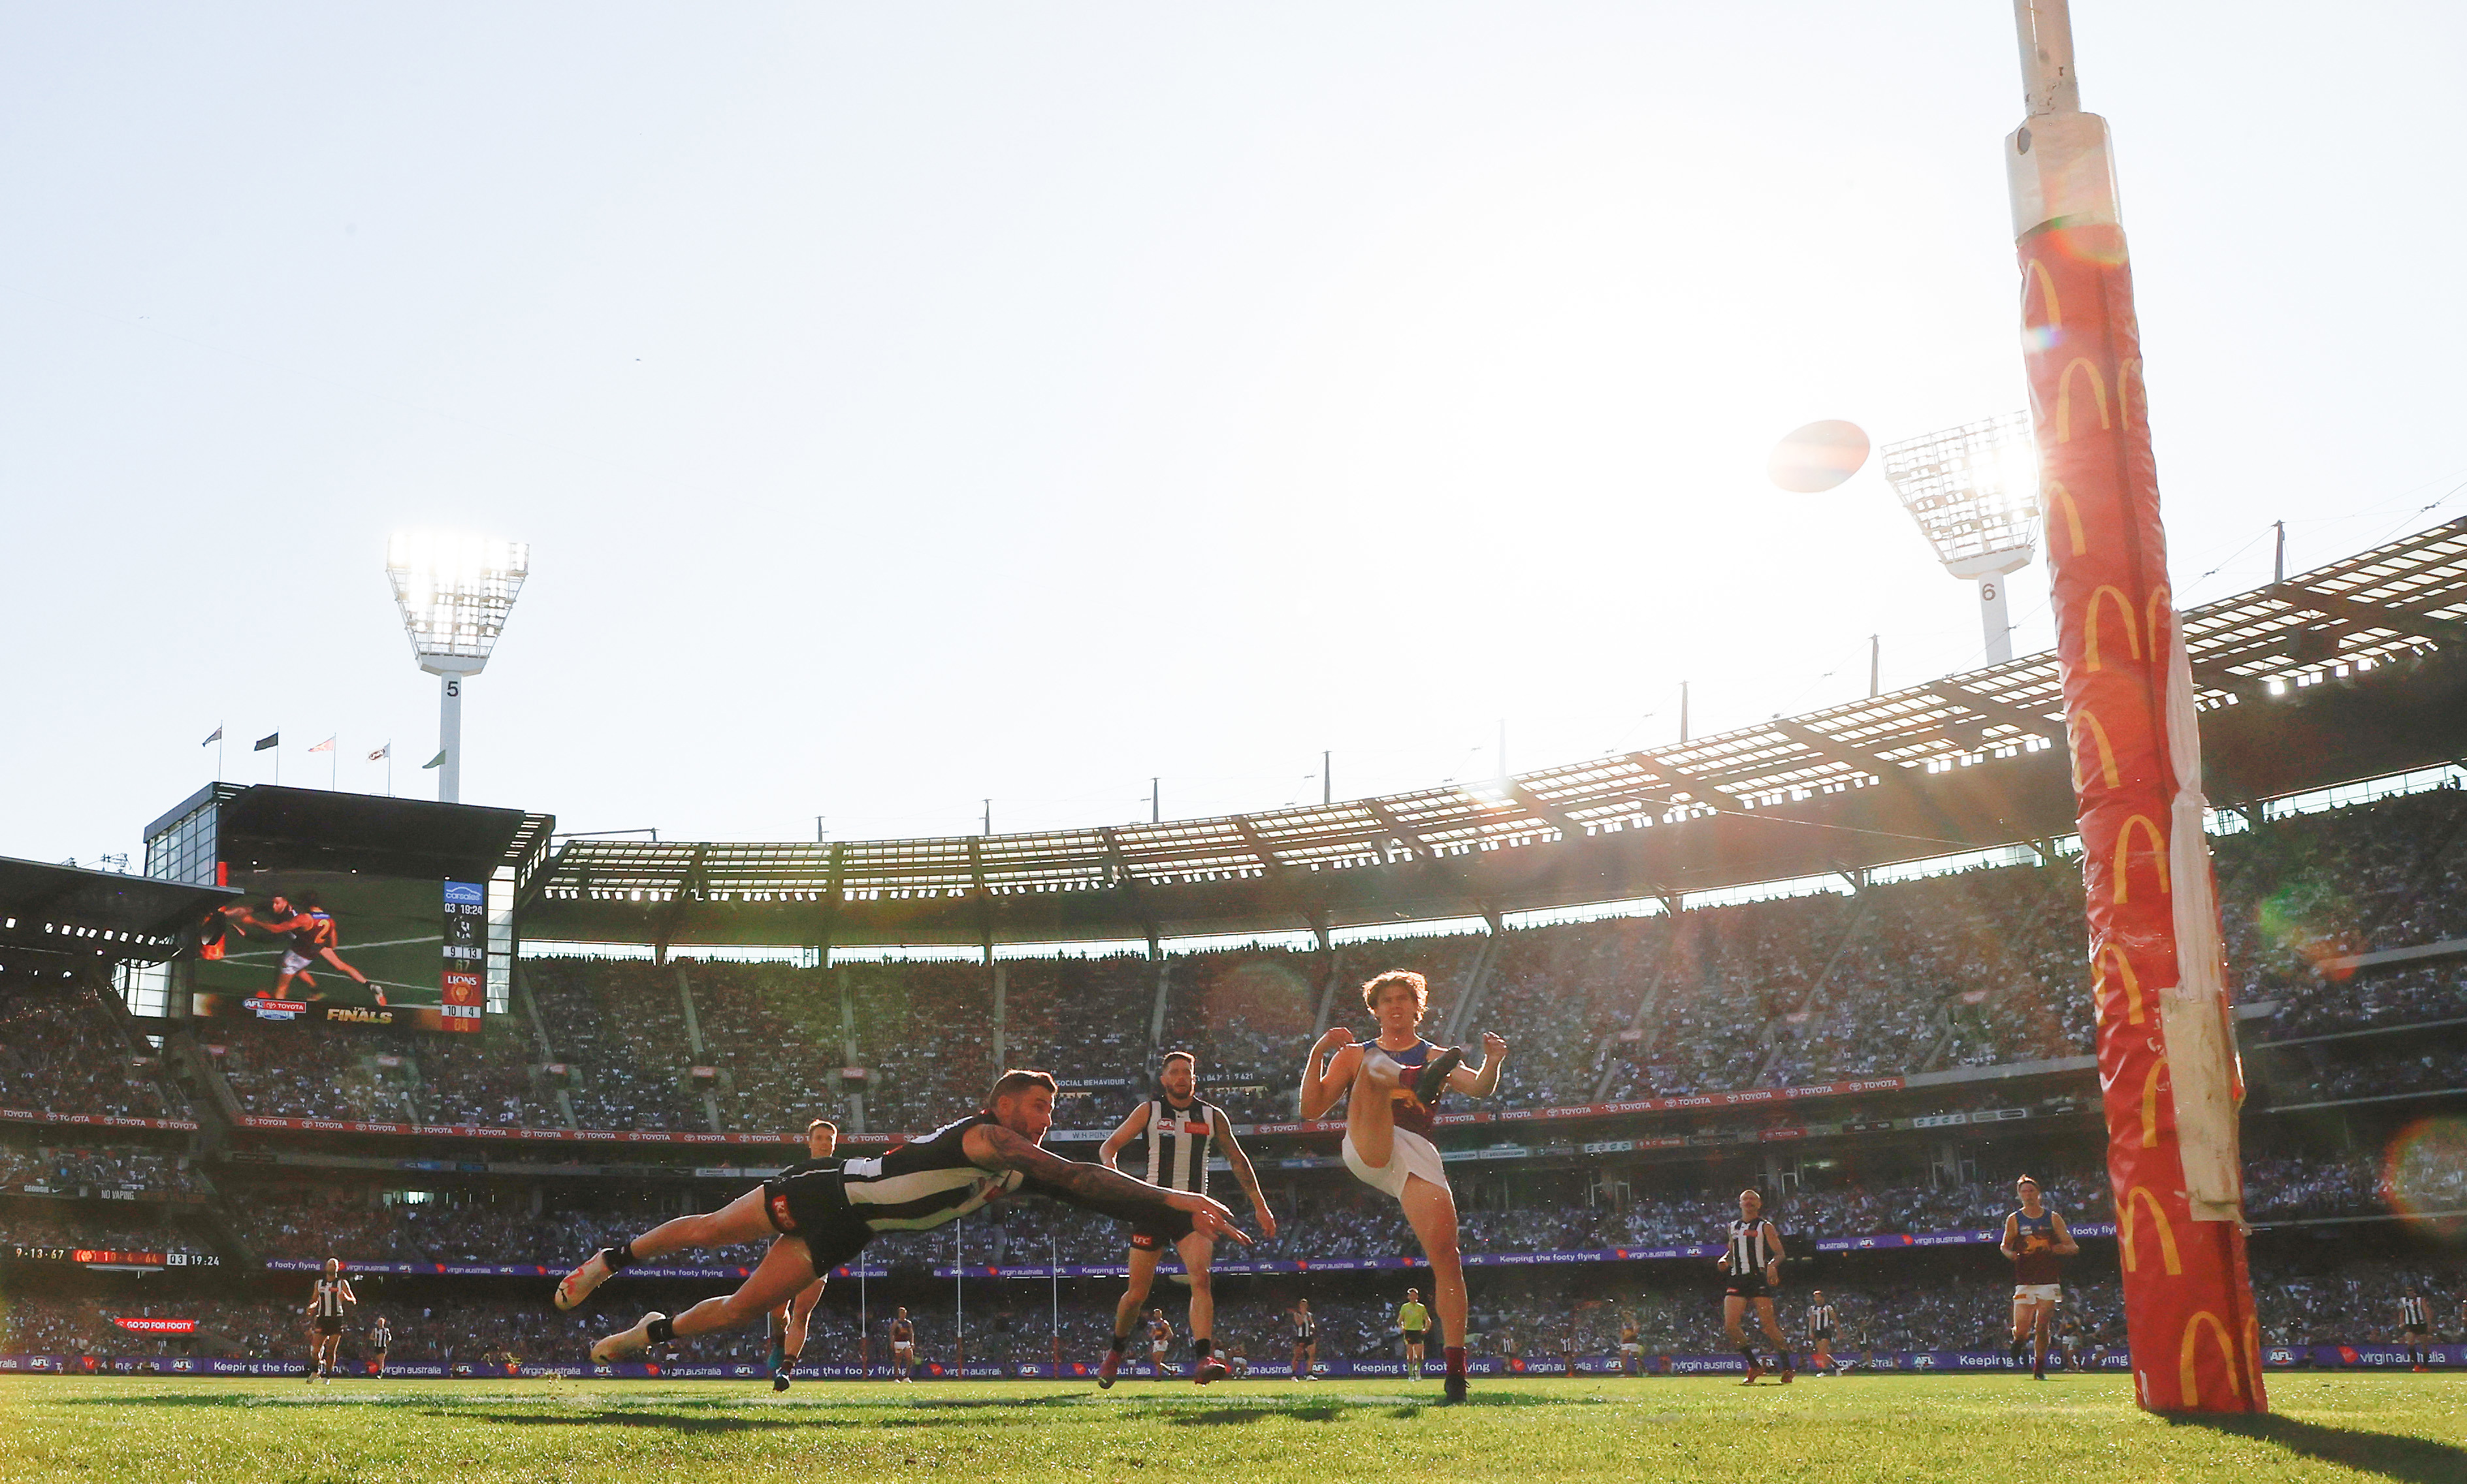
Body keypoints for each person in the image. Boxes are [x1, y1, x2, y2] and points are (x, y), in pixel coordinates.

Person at [554, 1070, 1248, 1369]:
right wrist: (1177, 1199)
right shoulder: (986, 1136)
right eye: (1038, 1107)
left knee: (741, 1310)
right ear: (1004, 1106)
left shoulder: (1012, 1164)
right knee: (710, 1230)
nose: (1047, 1120)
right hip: (830, 1189)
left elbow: (1089, 1190)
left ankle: (653, 1330)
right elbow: (1078, 1173)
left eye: (1052, 1110)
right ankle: (611, 1260)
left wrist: (1165, 1207)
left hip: (851, 1228)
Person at [1299, 969, 1508, 1404]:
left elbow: (1479, 1089)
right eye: (1386, 1000)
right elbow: (1312, 1109)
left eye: (1403, 999)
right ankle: (1410, 1080)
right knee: (1374, 1067)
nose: (1395, 1006)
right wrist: (1319, 1052)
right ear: (1374, 1011)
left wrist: (1493, 1061)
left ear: (1417, 1008)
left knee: (1446, 1258)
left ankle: (1454, 1374)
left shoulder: (1436, 1053)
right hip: (1369, 1143)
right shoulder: (1354, 1054)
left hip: (1413, 1152)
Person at [1094, 1051, 1278, 1387]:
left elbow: (1238, 1160)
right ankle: (1116, 1352)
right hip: (1152, 1208)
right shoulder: (1149, 1111)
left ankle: (1203, 1358)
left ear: (1195, 1078)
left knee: (1201, 1279)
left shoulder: (1212, 1115)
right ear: (1164, 1079)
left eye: (1187, 1072)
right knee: (1136, 1294)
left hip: (1195, 1212)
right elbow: (1109, 1147)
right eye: (1175, 1072)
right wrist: (1112, 1171)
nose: (1181, 1077)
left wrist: (1260, 1205)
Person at [764, 1120, 839, 1391]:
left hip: (821, 1251)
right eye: (819, 1137)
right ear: (809, 1142)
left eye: (830, 1139)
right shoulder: (794, 1173)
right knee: (776, 1309)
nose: (824, 1143)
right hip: (792, 1245)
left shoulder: (841, 1173)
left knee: (802, 1313)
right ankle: (778, 1340)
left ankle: (786, 1370)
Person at [227, 894, 382, 1005]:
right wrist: (226, 913)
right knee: (340, 965)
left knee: (285, 975)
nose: (273, 906)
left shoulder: (298, 918)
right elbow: (333, 944)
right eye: (273, 902)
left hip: (302, 946)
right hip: (316, 945)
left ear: (286, 903)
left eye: (277, 903)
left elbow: (273, 935)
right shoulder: (329, 918)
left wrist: (250, 930)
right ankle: (369, 986)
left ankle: (279, 1012)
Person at [1999, 1176, 2077, 1380]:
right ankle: (2019, 1340)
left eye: (2031, 1191)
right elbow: (2004, 1245)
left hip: (2049, 1279)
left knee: (2042, 1325)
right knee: (2023, 1328)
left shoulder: (2052, 1218)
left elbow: (2073, 1246)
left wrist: (2059, 1249)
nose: (2028, 1195)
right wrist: (2010, 1255)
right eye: (2024, 1192)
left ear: (2038, 1193)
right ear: (2019, 1195)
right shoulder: (2014, 1219)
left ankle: (2039, 1367)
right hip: (2024, 1280)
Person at [1717, 1189, 1793, 1384]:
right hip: (1737, 1278)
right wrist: (1724, 1260)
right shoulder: (1732, 1227)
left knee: (1768, 1326)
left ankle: (1787, 1367)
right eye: (1745, 1199)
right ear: (1740, 1203)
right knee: (1730, 1325)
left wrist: (1771, 1266)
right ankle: (1754, 1365)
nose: (1749, 1202)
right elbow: (1731, 1252)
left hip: (1758, 1278)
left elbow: (1780, 1253)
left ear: (1759, 1205)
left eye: (1753, 1199)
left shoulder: (1765, 1226)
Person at [306, 1258, 356, 1383]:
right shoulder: (319, 1283)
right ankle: (315, 1371)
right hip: (322, 1319)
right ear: (326, 1267)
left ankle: (327, 1376)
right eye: (330, 1264)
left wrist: (346, 1298)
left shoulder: (342, 1283)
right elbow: (314, 1299)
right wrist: (312, 1306)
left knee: (330, 1350)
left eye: (334, 1265)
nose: (332, 1266)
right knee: (315, 1349)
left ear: (337, 1268)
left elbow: (354, 1300)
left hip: (336, 1319)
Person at [1398, 1288, 1431, 1379]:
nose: (1413, 1297)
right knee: (1410, 1353)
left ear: (1417, 1296)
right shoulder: (1405, 1307)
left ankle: (1418, 1371)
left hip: (1418, 1331)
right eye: (1411, 1295)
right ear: (1409, 1297)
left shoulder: (1421, 1307)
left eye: (1415, 1295)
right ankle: (1411, 1374)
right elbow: (1400, 1320)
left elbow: (1428, 1320)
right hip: (1409, 1331)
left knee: (1420, 1354)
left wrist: (1426, 1328)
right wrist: (1402, 1328)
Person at [1805, 1290, 1837, 1376]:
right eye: (1815, 1297)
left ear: (1822, 1298)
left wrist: (1838, 1331)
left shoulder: (1828, 1308)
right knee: (1821, 1353)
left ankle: (1824, 1370)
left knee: (1823, 1351)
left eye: (1818, 1297)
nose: (1817, 1299)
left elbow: (1834, 1319)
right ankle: (1837, 1366)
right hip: (1817, 1332)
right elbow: (1811, 1321)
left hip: (1826, 1331)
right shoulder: (1812, 1308)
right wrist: (1810, 1331)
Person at [2400, 1288, 2432, 1373]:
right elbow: (2402, 1311)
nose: (2409, 1292)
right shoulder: (2403, 1300)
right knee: (2410, 1344)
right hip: (2410, 1325)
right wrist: (2401, 1322)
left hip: (2421, 1325)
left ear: (2414, 1291)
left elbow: (2427, 1311)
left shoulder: (2420, 1300)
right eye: (2407, 1290)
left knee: (2424, 1346)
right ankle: (2416, 1365)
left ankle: (2425, 1366)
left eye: (2411, 1290)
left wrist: (2429, 1324)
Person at [1289, 1299, 1317, 1381]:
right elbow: (1299, 1324)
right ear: (1300, 1306)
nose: (1304, 1306)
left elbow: (1312, 1323)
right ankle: (1294, 1375)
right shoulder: (1297, 1314)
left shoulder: (1309, 1315)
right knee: (1297, 1356)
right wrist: (1303, 1315)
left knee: (1311, 1355)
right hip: (1301, 1337)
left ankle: (1309, 1374)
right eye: (1302, 1305)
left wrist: (1312, 1326)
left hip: (1309, 1336)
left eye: (1305, 1305)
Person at [1145, 1309, 1174, 1379]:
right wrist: (1150, 1335)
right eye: (1155, 1314)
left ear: (1160, 1314)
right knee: (1156, 1361)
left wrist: (1163, 1340)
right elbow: (1153, 1334)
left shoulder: (1164, 1323)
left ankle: (1159, 1377)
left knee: (1157, 1361)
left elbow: (1170, 1334)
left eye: (1157, 1314)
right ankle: (1170, 1371)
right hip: (1156, 1342)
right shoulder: (1154, 1324)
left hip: (1162, 1342)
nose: (1156, 1315)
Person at [890, 1308, 917, 1382]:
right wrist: (892, 1342)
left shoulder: (908, 1323)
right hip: (898, 1342)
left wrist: (912, 1342)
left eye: (904, 1313)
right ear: (899, 1314)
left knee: (910, 1359)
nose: (903, 1314)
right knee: (898, 1360)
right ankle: (896, 1377)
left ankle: (906, 1377)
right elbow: (892, 1333)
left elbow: (911, 1333)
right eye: (901, 1313)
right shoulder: (896, 1323)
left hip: (906, 1342)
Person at [1617, 1312, 1641, 1378]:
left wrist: (1628, 1334)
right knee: (1624, 1357)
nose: (1626, 1317)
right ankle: (1624, 1372)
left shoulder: (1634, 1323)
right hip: (1625, 1343)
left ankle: (1643, 1370)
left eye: (1627, 1315)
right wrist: (1621, 1341)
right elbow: (1622, 1333)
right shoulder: (1624, 1324)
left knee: (1636, 1357)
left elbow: (1636, 1332)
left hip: (1633, 1342)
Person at [368, 1312, 391, 1379]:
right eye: (379, 1322)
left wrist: (389, 1340)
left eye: (382, 1322)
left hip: (383, 1347)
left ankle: (380, 1374)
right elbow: (370, 1337)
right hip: (376, 1347)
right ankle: (378, 1371)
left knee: (381, 1361)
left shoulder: (386, 1330)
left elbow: (389, 1337)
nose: (380, 1323)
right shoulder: (375, 1330)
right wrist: (374, 1339)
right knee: (377, 1360)